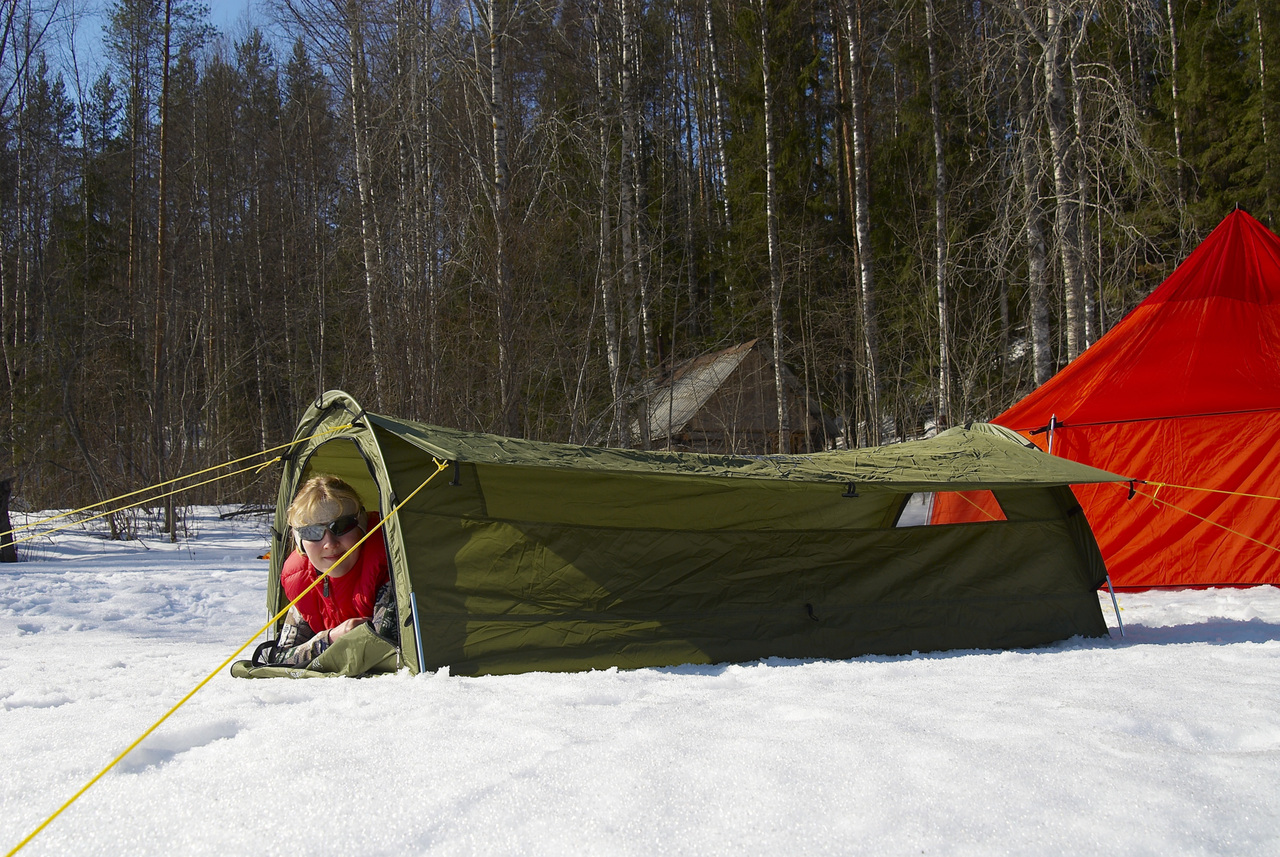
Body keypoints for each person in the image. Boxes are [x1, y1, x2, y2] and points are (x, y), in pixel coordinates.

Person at [253, 475, 398, 669]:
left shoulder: (388, 568)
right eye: (312, 533)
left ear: (362, 527)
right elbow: (279, 657)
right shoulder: (303, 581)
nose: (329, 544)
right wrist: (329, 638)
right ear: (300, 543)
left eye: (341, 526)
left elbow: (382, 650)